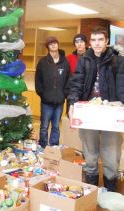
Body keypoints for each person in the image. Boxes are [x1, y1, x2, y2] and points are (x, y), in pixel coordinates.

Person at [68, 26, 124, 191]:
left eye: (100, 40)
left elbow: (122, 85)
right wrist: (72, 104)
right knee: (90, 153)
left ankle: (110, 188)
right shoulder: (84, 59)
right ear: (89, 42)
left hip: (110, 114)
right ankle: (91, 189)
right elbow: (76, 84)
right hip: (89, 113)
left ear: (107, 41)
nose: (97, 43)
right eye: (94, 40)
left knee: (111, 154)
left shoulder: (118, 60)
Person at [35, 36, 70, 149]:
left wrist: (64, 94)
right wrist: (42, 94)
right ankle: (43, 147)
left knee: (56, 126)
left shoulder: (65, 62)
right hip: (46, 102)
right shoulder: (43, 63)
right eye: (51, 44)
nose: (53, 45)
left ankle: (53, 148)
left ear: (58, 44)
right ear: (48, 47)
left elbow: (69, 80)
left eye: (55, 43)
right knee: (44, 126)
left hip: (59, 101)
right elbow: (38, 80)